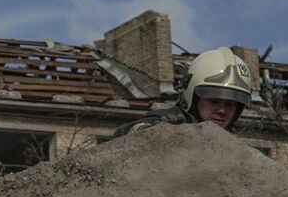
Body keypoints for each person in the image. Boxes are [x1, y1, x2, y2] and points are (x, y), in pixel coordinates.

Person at [107, 46, 255, 139]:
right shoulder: (166, 124)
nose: (222, 111)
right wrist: (146, 135)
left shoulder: (233, 149)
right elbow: (122, 139)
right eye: (214, 101)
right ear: (193, 97)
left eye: (230, 104)